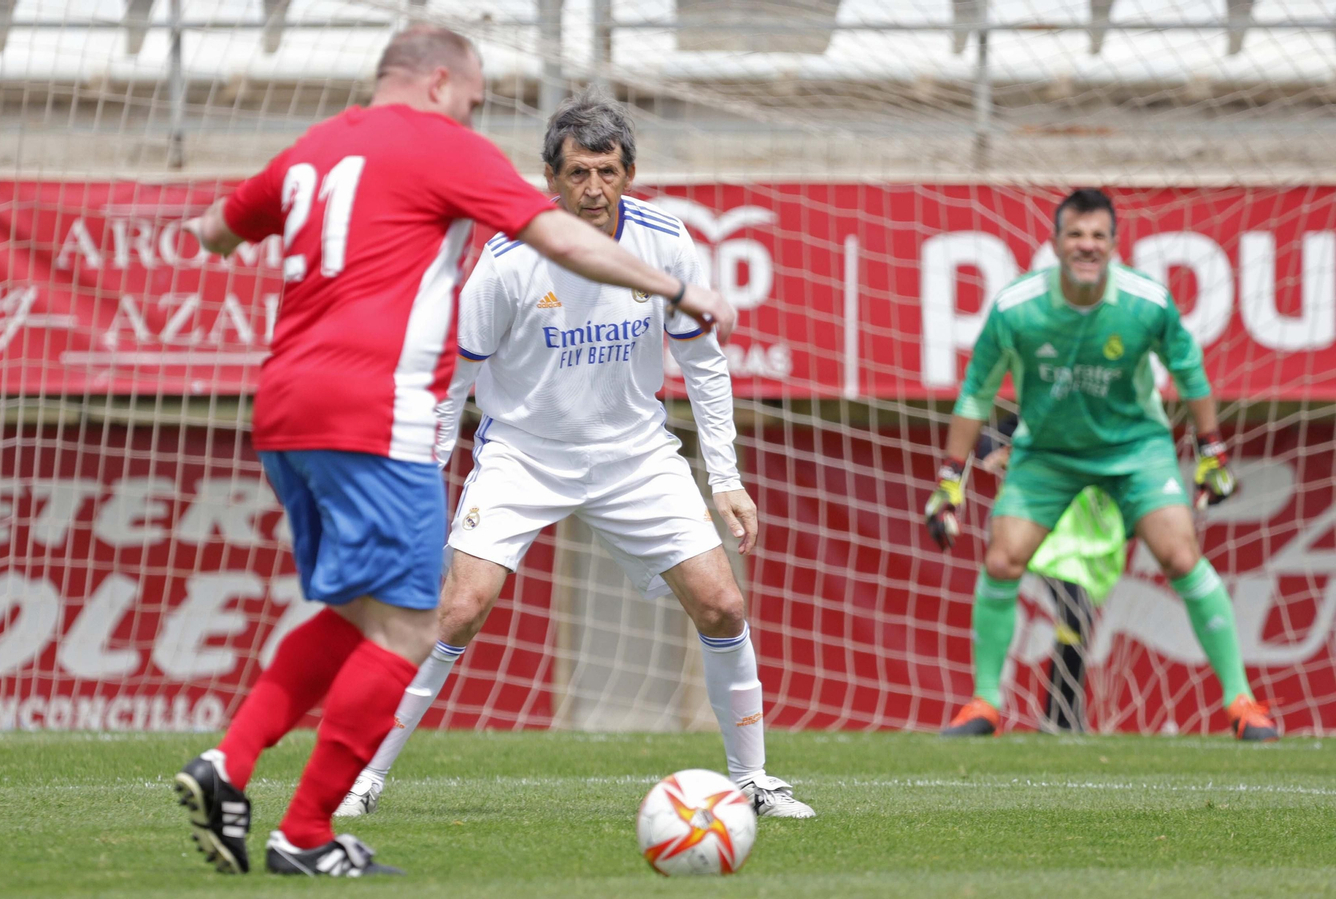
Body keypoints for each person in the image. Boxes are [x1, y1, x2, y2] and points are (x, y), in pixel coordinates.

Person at [172, 28, 738, 878]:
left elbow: (213, 231)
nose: (474, 110)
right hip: (379, 410)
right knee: (409, 624)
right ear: (441, 81)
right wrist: (675, 286)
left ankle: (231, 765)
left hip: (285, 408)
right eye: (474, 97)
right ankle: (306, 831)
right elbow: (557, 237)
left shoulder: (314, 147)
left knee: (360, 614)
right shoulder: (441, 145)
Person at [331, 88, 814, 820]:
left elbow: (705, 363)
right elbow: (452, 380)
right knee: (457, 609)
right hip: (524, 453)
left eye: (608, 171)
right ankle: (362, 776)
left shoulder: (665, 241)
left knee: (722, 604)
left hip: (636, 453)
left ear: (629, 172)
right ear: (550, 179)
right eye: (579, 173)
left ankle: (754, 778)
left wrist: (727, 478)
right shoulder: (506, 261)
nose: (594, 189)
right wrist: (422, 484)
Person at [924, 188, 1277, 742]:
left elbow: (1191, 377)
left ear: (1114, 245)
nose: (1087, 246)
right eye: (1076, 235)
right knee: (1002, 559)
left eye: (1097, 236)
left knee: (1181, 554)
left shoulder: (1147, 303)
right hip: (1048, 454)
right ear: (1055, 242)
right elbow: (975, 395)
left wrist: (1212, 453)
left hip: (1135, 449)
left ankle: (1242, 702)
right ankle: (985, 704)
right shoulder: (1017, 309)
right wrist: (949, 481)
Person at [976, 418, 1126, 732]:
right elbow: (988, 444)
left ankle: (1061, 715)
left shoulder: (1109, 410)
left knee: (1078, 618)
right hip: (1047, 528)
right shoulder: (1041, 404)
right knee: (1075, 613)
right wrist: (1007, 454)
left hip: (1091, 531)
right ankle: (1055, 714)